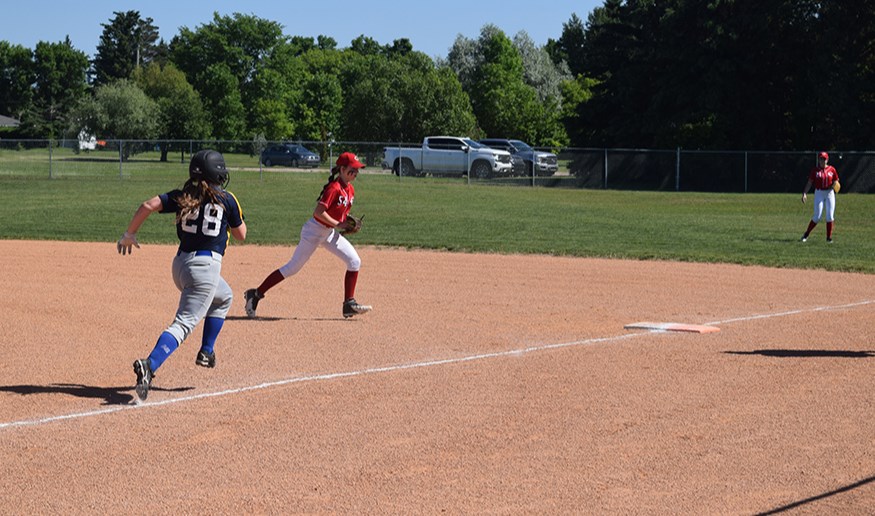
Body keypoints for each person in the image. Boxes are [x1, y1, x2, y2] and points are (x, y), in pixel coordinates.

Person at [117, 150, 247, 402]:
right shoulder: (227, 199)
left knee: (223, 297)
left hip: (181, 265)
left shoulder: (182, 196)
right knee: (184, 323)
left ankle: (207, 352)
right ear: (219, 173)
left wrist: (129, 234)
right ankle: (150, 365)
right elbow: (241, 234)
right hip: (205, 269)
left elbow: (148, 205)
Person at [244, 151, 372, 319]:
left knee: (354, 261)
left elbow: (338, 213)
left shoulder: (350, 190)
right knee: (292, 268)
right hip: (314, 231)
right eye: (352, 169)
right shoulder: (334, 188)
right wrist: (338, 224)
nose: (355, 173)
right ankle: (256, 294)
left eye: (357, 170)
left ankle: (348, 304)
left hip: (328, 232)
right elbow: (318, 213)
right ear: (341, 169)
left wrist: (345, 222)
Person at [800, 151, 839, 243]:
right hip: (819, 192)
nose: (822, 161)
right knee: (817, 216)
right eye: (821, 159)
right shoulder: (815, 170)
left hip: (829, 193)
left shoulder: (832, 169)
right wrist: (805, 193)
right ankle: (806, 234)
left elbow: (836, 181)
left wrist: (834, 185)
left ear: (827, 160)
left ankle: (828, 238)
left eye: (824, 159)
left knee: (830, 216)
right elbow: (810, 182)